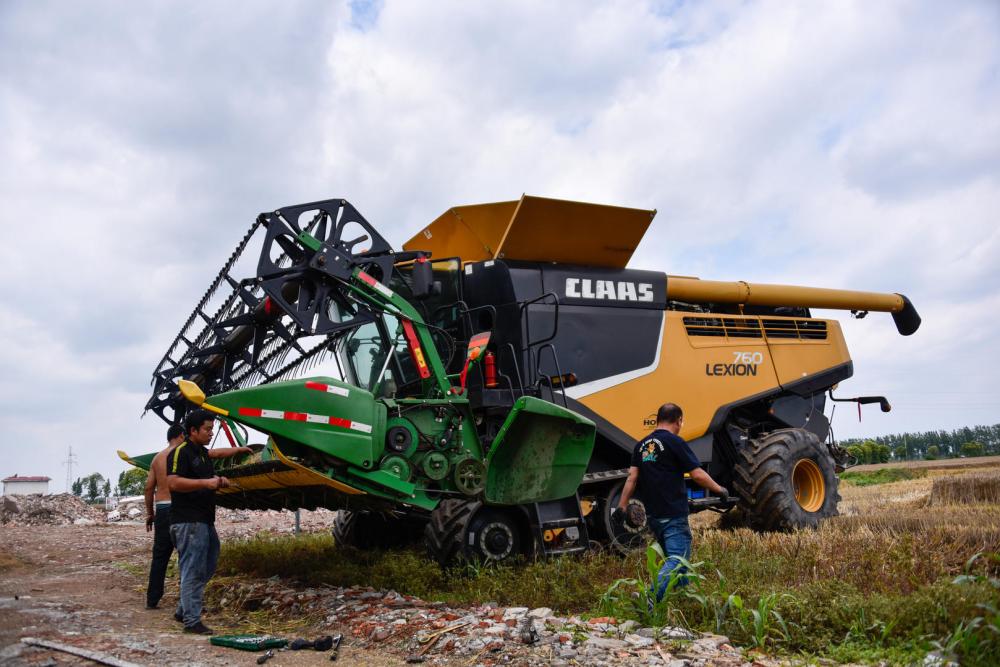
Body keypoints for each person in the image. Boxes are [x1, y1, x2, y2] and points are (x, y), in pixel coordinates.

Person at [614, 402, 728, 600]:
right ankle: (648, 598)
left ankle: (683, 599)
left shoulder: (641, 445)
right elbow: (697, 474)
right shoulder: (675, 442)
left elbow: (631, 479)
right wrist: (720, 490)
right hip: (673, 514)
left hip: (654, 517)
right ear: (679, 420)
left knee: (677, 563)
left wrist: (621, 507)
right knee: (678, 560)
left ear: (657, 420)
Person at [168, 409, 251, 634]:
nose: (210, 433)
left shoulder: (202, 453)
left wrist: (237, 452)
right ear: (193, 431)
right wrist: (206, 484)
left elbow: (215, 455)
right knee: (193, 569)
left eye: (212, 429)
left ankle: (184, 609)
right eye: (207, 429)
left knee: (210, 560)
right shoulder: (180, 453)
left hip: (204, 520)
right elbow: (173, 483)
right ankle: (191, 621)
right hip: (188, 521)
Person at [144, 424, 186, 609]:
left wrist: (150, 514)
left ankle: (152, 600)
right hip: (179, 509)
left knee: (160, 556)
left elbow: (148, 488)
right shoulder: (183, 454)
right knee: (186, 555)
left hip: (161, 509)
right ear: (181, 436)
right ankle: (186, 601)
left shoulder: (157, 458)